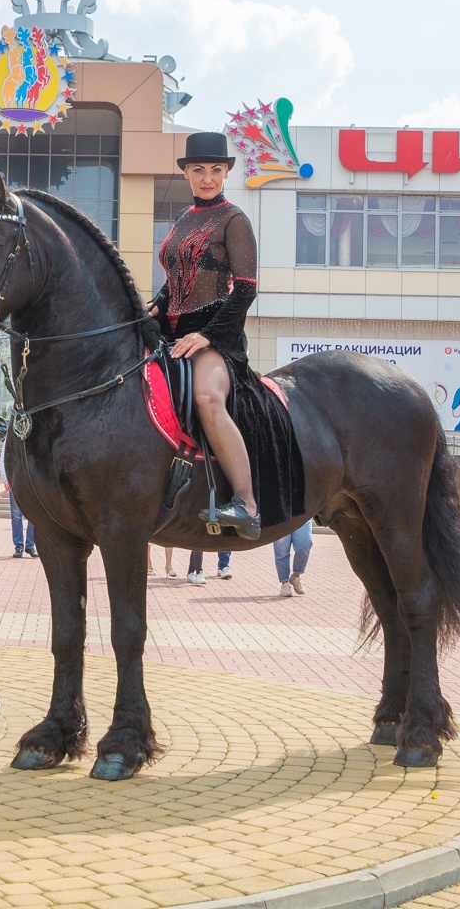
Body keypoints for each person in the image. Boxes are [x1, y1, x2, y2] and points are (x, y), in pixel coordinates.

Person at [149, 131, 263, 539]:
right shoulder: (183, 219)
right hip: (171, 331)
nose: (208, 177)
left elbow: (246, 289)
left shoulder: (234, 219)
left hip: (217, 333)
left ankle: (246, 503)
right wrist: (155, 306)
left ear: (226, 173)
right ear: (187, 174)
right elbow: (175, 280)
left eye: (216, 170)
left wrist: (209, 337)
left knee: (207, 397)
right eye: (199, 170)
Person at [0, 439, 36, 558]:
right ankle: (18, 546)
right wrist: (6, 479)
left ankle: (30, 545)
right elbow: (3, 460)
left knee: (34, 516)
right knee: (16, 515)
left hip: (32, 483)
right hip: (15, 481)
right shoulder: (11, 438)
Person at [274, 520, 314, 597]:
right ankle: (284, 583)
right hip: (282, 515)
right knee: (281, 550)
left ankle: (295, 576)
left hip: (303, 515)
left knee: (305, 545)